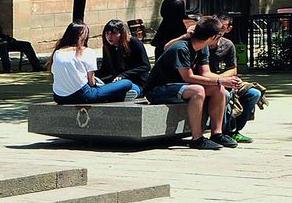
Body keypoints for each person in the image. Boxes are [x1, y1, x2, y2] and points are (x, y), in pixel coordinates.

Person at [144, 17, 234, 149]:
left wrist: (226, 81)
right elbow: (188, 77)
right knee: (198, 90)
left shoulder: (203, 48)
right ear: (213, 37)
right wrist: (220, 79)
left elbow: (205, 73)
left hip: (182, 87)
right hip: (158, 90)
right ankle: (197, 138)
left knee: (218, 88)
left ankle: (217, 133)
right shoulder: (181, 48)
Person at [50, 22, 139, 103]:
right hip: (82, 95)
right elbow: (92, 82)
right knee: (127, 83)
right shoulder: (87, 52)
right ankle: (123, 94)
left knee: (106, 88)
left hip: (59, 97)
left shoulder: (58, 52)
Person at [204, 19, 263, 141]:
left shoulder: (228, 44)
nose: (218, 28)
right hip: (208, 82)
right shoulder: (202, 44)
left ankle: (235, 131)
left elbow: (233, 69)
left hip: (220, 79)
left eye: (222, 26)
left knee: (254, 93)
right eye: (216, 25)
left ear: (228, 29)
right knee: (223, 93)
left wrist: (230, 79)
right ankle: (222, 132)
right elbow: (203, 73)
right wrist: (222, 80)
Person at [96, 19, 152, 90]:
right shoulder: (107, 47)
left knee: (125, 84)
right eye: (107, 33)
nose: (109, 37)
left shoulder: (134, 42)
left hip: (137, 80)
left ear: (121, 34)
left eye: (113, 33)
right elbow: (106, 69)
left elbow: (145, 66)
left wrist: (124, 75)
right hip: (116, 80)